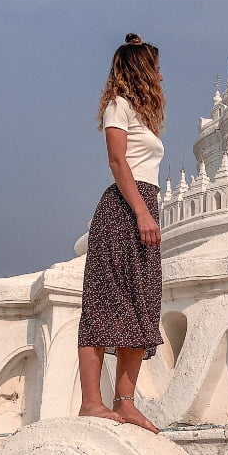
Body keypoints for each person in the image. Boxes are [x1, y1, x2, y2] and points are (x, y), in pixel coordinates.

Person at [77, 33, 165, 433]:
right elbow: (116, 161)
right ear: (141, 69)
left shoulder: (143, 116)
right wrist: (142, 214)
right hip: (124, 210)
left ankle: (125, 401)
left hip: (145, 203)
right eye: (155, 67)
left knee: (141, 303)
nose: (161, 76)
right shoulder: (119, 106)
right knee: (103, 304)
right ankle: (91, 403)